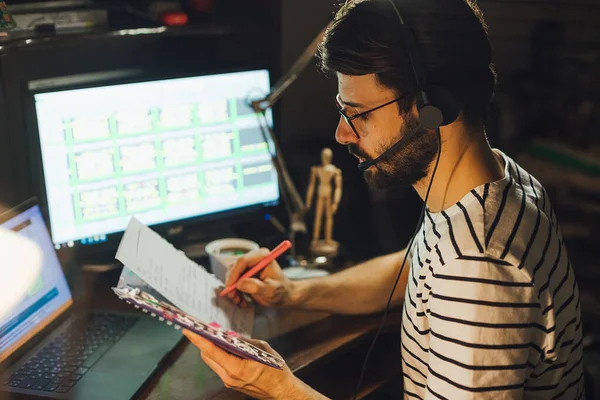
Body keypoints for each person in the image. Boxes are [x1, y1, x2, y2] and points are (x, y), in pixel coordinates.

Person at [183, 0, 584, 398]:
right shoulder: (502, 179)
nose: (343, 134)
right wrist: (295, 294)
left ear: (432, 109)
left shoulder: (477, 271)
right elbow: (414, 267)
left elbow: (458, 273)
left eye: (359, 114)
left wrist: (274, 385)